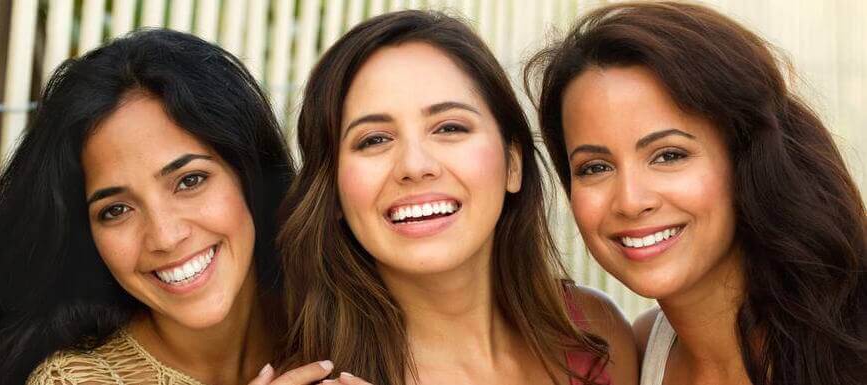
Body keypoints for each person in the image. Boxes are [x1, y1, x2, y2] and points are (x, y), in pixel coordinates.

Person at [0, 29, 361, 385]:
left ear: (250, 175)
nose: (165, 236)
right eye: (116, 210)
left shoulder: (350, 326)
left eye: (189, 181)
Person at [278, 10, 638, 385]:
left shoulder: (597, 333)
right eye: (374, 140)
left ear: (512, 163)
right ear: (332, 191)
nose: (415, 165)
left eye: (450, 127)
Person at [525, 2, 866, 384]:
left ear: (747, 159)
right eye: (595, 167)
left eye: (669, 155)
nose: (631, 201)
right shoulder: (634, 356)